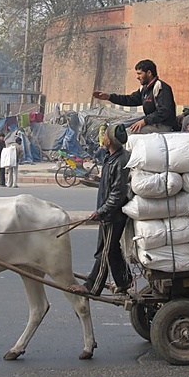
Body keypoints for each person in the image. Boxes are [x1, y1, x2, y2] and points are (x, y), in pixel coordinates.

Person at [70, 123, 132, 297]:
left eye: (104, 135)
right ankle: (124, 280)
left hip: (113, 215)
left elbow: (118, 193)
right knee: (112, 250)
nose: (102, 138)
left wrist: (102, 211)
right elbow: (109, 184)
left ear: (110, 140)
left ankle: (92, 287)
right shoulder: (111, 157)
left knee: (104, 252)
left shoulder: (120, 161)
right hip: (108, 213)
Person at [93, 59, 178, 133]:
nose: (137, 77)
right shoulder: (144, 89)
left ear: (149, 73)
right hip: (150, 122)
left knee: (125, 134)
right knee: (117, 127)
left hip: (163, 125)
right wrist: (109, 97)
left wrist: (144, 121)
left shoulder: (161, 87)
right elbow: (130, 99)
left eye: (140, 74)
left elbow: (164, 111)